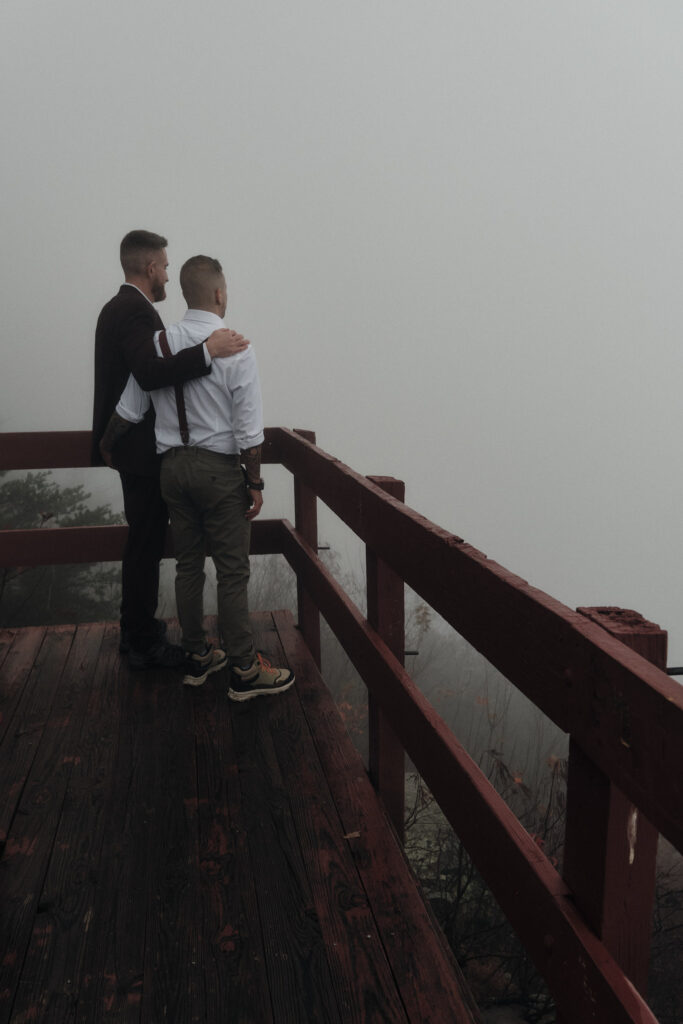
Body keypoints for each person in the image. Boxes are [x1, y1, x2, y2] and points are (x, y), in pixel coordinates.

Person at [100, 255, 295, 700]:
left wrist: (106, 444)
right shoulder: (235, 345)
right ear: (220, 294)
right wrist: (255, 482)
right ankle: (245, 669)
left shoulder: (160, 343)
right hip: (217, 472)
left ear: (186, 294)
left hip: (171, 470)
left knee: (188, 565)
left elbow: (130, 409)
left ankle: (197, 654)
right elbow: (249, 430)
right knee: (231, 572)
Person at [92, 230, 249, 669]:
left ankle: (138, 630)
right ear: (150, 268)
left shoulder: (118, 309)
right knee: (145, 545)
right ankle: (142, 640)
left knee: (149, 544)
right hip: (142, 455)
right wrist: (207, 352)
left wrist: (105, 440)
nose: (166, 272)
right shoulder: (136, 313)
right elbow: (148, 374)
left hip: (133, 450)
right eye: (163, 264)